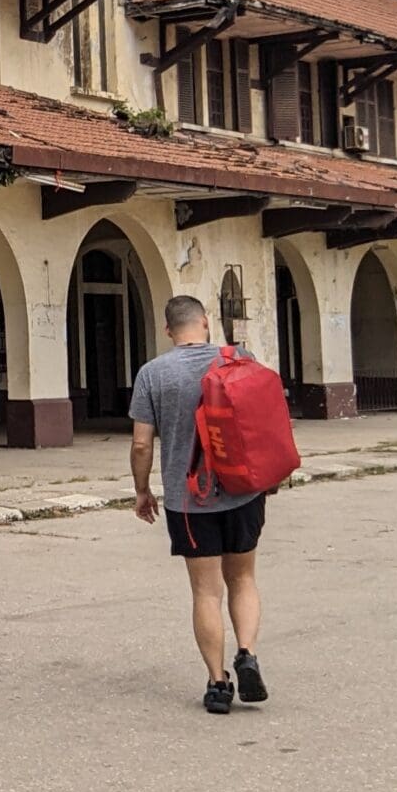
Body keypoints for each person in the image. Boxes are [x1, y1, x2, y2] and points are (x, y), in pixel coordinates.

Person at [129, 292, 269, 715]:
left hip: (189, 501)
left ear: (168, 330)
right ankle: (246, 652)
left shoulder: (153, 374)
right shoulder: (238, 357)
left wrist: (141, 490)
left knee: (206, 593)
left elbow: (141, 443)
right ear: (205, 322)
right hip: (243, 490)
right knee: (242, 579)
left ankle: (218, 683)